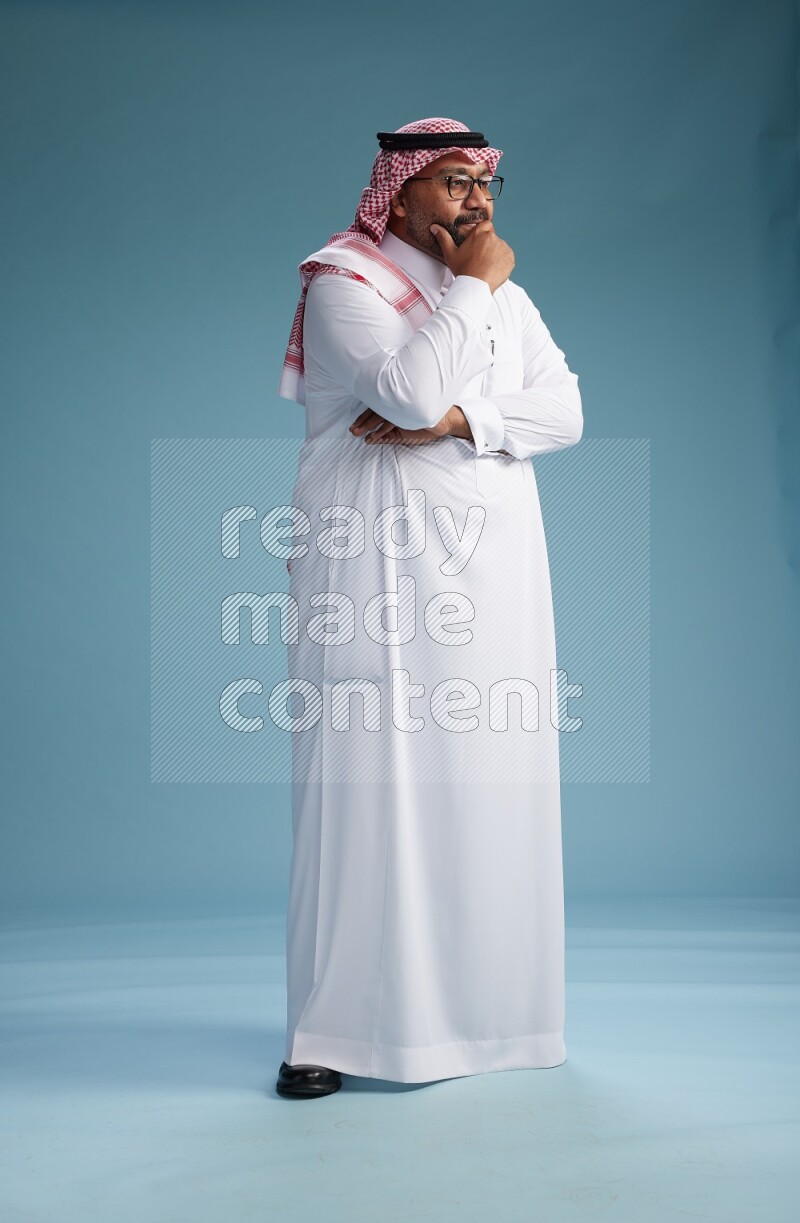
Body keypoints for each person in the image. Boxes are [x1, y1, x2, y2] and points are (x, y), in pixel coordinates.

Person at [274, 118, 583, 1099]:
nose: (475, 201)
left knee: (487, 780)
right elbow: (405, 395)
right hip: (372, 568)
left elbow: (563, 412)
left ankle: (487, 1020)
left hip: (494, 571)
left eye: (483, 184)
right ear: (398, 193)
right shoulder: (345, 283)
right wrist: (473, 292)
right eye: (452, 183)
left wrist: (464, 420)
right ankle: (330, 1033)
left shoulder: (502, 294)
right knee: (368, 785)